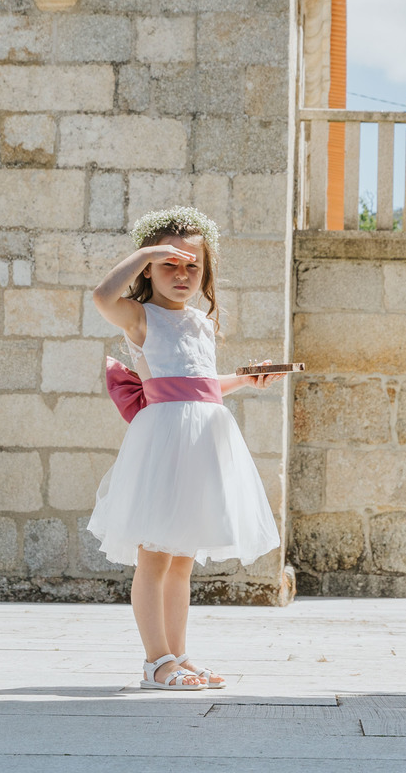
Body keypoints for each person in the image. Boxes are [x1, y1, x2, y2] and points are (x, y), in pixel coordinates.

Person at [87, 207, 283, 691]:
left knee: (182, 560)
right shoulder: (139, 317)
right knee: (154, 556)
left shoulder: (201, 324)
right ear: (148, 268)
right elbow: (101, 295)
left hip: (204, 442)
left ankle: (178, 653)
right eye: (168, 264)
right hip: (165, 444)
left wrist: (247, 378)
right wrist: (147, 250)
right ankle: (156, 662)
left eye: (192, 265)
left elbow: (199, 386)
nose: (181, 274)